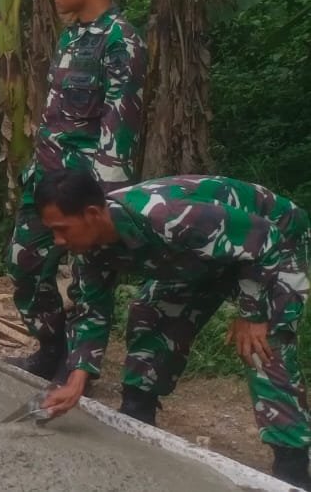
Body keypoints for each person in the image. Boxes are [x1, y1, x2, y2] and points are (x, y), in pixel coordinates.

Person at [35, 170, 311, 487]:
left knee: (264, 345)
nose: (58, 241)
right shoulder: (90, 248)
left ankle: (292, 465)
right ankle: (138, 413)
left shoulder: (171, 217)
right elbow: (91, 311)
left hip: (274, 241)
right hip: (201, 253)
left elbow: (263, 238)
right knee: (151, 312)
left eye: (61, 230)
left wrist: (252, 313)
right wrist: (77, 378)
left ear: (92, 214)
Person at [6, 0, 147, 380]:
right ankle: (52, 344)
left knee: (88, 282)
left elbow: (120, 123)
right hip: (46, 179)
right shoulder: (72, 37)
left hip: (85, 186)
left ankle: (77, 370)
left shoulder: (121, 40)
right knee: (23, 263)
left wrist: (105, 196)